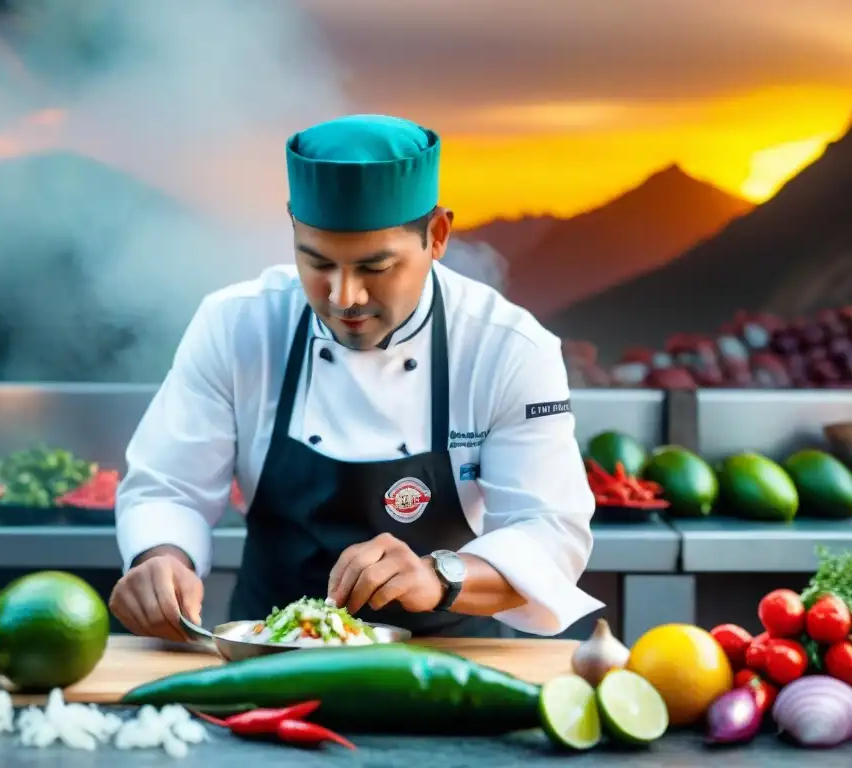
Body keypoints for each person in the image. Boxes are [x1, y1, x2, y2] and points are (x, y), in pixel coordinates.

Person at [111, 114, 602, 640]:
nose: (344, 298)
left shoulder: (506, 348)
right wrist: (161, 560)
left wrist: (439, 574)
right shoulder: (237, 324)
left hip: (453, 662)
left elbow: (550, 530)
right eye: (317, 263)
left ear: (436, 236)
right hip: (265, 657)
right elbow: (170, 488)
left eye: (375, 268)